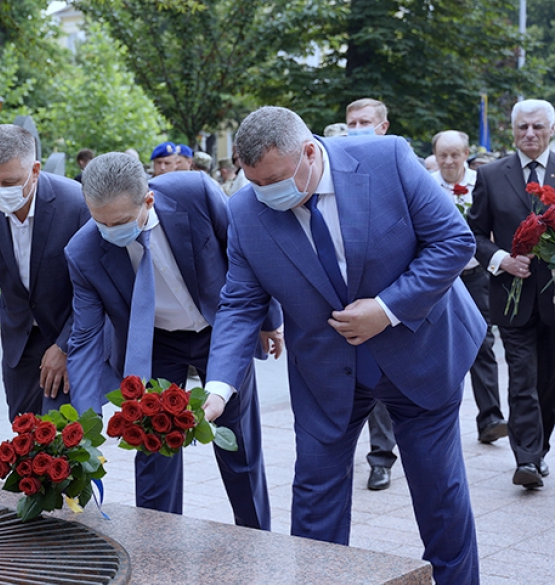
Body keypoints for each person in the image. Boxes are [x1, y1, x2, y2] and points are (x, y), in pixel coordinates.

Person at [207, 106, 481, 584]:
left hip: (420, 351)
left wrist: (388, 308)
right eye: (256, 184)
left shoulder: (388, 159)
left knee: (439, 497)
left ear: (310, 152)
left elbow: (453, 242)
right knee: (314, 503)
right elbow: (239, 304)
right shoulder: (246, 210)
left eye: (275, 181)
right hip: (326, 370)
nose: (268, 196)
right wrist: (217, 389)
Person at [66, 152, 281, 526]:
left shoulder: (194, 192)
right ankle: (157, 545)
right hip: (155, 343)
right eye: (99, 221)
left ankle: (256, 534)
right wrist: (86, 423)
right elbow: (84, 338)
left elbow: (243, 253)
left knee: (238, 446)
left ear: (147, 200)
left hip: (220, 329)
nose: (108, 231)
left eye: (118, 222)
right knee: (153, 452)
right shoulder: (82, 251)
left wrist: (267, 320)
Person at [0, 124, 91, 420]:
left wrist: (64, 346)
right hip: (19, 340)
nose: (0, 192)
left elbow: (94, 288)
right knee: (24, 435)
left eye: (10, 182)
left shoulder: (75, 203)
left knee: (65, 438)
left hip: (71, 333)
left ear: (35, 170)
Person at [469, 99, 555, 489]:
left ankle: (540, 447)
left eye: (537, 127)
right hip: (511, 297)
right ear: (512, 130)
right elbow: (470, 236)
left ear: (551, 129)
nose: (530, 134)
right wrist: (501, 259)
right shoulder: (491, 175)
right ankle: (528, 460)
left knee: (548, 384)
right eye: (523, 128)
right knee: (521, 378)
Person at [433, 129, 507, 444]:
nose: (449, 161)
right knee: (435, 348)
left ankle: (490, 418)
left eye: (455, 154)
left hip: (476, 277)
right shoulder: (424, 184)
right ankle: (433, 420)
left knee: (482, 344)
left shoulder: (484, 183)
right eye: (442, 155)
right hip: (438, 280)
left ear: (466, 155)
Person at [345, 96, 397, 491]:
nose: (357, 129)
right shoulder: (340, 173)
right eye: (351, 123)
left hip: (392, 305)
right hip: (346, 307)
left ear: (383, 127)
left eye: (365, 122)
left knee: (384, 386)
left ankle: (382, 457)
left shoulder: (398, 166)